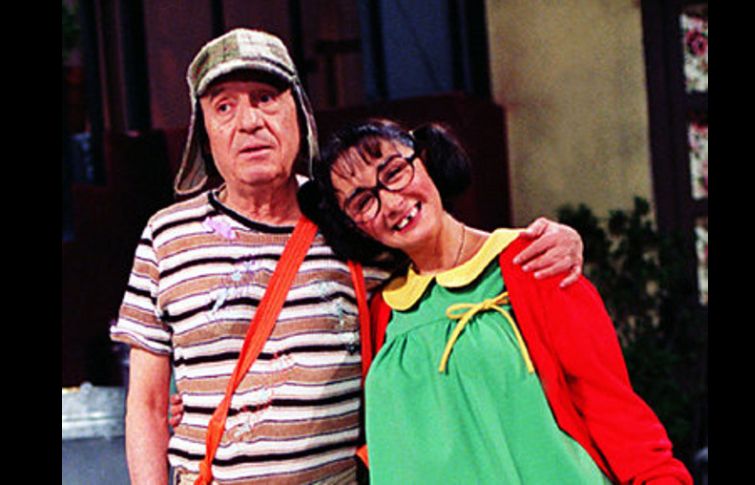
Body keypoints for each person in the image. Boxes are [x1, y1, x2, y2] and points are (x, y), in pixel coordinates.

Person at [111, 29, 585, 485]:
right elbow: (148, 405)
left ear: (299, 113)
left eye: (266, 97)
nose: (249, 121)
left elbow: (454, 257)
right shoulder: (166, 235)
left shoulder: (354, 218)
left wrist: (548, 241)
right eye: (224, 106)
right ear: (204, 132)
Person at [297, 119, 694, 484]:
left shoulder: (533, 263)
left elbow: (613, 411)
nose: (391, 202)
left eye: (394, 172)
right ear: (354, 226)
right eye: (362, 201)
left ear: (425, 160)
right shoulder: (383, 311)